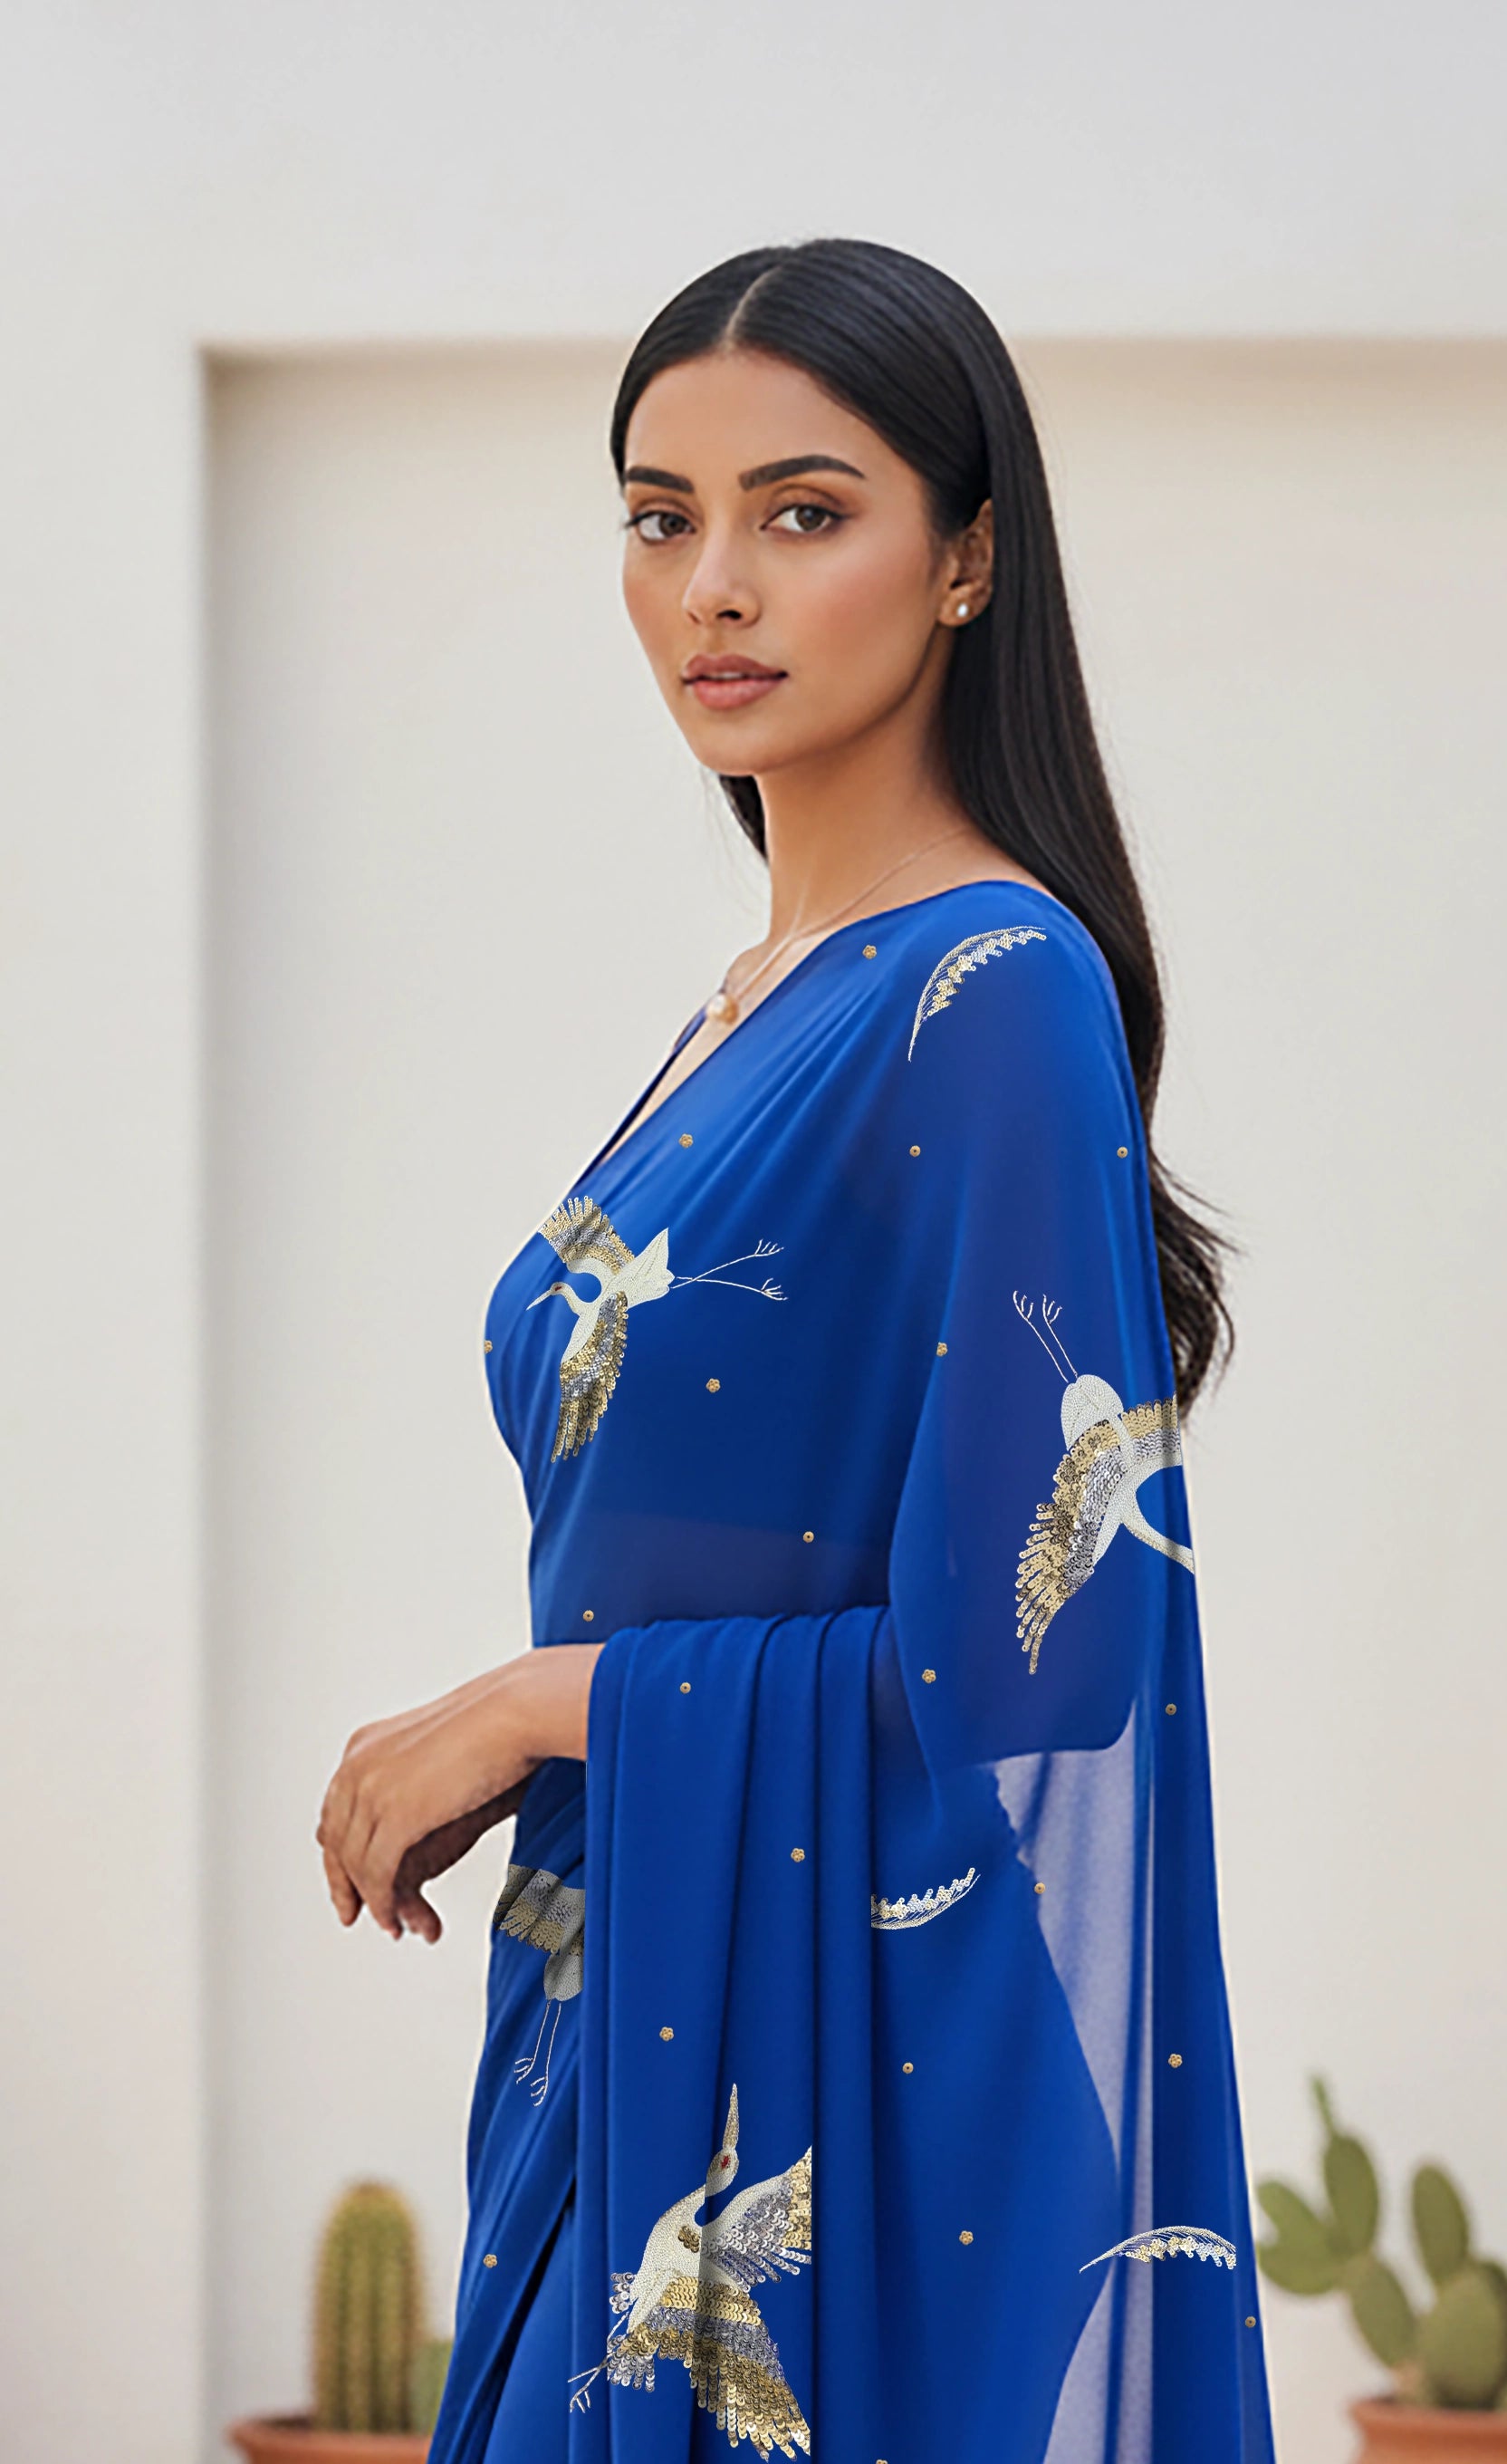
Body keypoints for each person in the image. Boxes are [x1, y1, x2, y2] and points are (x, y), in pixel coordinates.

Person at [317, 237, 1275, 2464]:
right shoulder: (743, 1008)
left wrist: (537, 1705)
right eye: (661, 517)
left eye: (803, 511)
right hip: (622, 2004)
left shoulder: (990, 984)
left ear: (966, 562)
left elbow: (1040, 1671)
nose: (711, 587)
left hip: (826, 2084)